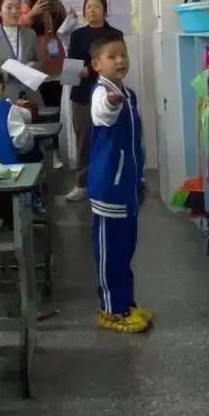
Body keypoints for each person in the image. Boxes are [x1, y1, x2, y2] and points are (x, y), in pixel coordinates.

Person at [88, 32, 151, 334]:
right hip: (108, 188)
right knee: (110, 251)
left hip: (127, 185)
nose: (120, 61)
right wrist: (112, 102)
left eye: (123, 54)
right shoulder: (102, 93)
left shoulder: (129, 94)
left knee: (125, 248)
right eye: (111, 56)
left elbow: (135, 142)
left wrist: (140, 179)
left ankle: (125, 302)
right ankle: (111, 310)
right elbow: (102, 114)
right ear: (96, 65)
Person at [65, 0, 124, 203]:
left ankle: (110, 180)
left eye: (96, 6)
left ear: (104, 10)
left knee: (110, 137)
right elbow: (72, 64)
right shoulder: (77, 35)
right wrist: (77, 71)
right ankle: (82, 184)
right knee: (84, 139)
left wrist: (89, 70)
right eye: (88, 6)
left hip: (109, 91)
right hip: (82, 94)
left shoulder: (114, 34)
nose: (91, 10)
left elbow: (117, 63)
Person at [19, 0, 78, 107]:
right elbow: (17, 29)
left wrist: (71, 19)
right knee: (40, 105)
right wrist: (32, 14)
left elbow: (64, 32)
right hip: (36, 61)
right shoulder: (26, 4)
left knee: (59, 103)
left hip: (58, 59)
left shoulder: (58, 5)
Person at [0, 0, 44, 105]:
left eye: (18, 7)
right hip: (3, 94)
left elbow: (39, 60)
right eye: (9, 7)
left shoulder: (30, 34)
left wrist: (30, 67)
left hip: (30, 93)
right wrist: (8, 72)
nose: (14, 11)